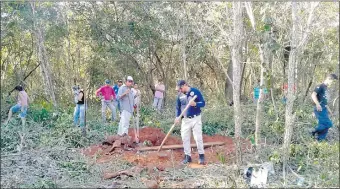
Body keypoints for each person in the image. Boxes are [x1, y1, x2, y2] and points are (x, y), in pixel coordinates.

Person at [175, 80, 206, 165]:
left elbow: (203, 103)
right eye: (179, 89)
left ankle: (201, 156)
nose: (180, 90)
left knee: (198, 138)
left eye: (180, 88)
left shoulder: (195, 92)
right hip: (185, 120)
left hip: (196, 118)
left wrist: (195, 104)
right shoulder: (180, 95)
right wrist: (177, 117)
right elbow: (178, 107)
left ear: (185, 85)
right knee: (185, 138)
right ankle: (187, 157)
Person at [311, 73, 338, 141]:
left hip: (324, 109)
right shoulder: (320, 86)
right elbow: (313, 95)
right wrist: (317, 104)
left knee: (326, 126)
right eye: (333, 81)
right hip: (319, 109)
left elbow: (325, 102)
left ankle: (320, 140)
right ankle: (311, 132)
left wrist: (330, 111)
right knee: (327, 124)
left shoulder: (326, 89)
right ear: (329, 79)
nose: (333, 83)